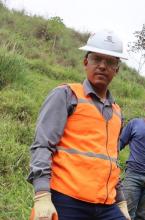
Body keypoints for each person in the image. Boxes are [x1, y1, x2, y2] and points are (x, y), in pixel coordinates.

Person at [28, 30, 130, 220]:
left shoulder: (117, 112)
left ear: (117, 69)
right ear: (86, 61)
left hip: (105, 205)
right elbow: (42, 144)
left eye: (110, 62)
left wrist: (121, 201)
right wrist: (42, 194)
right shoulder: (66, 95)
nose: (102, 66)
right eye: (97, 59)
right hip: (67, 199)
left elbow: (111, 160)